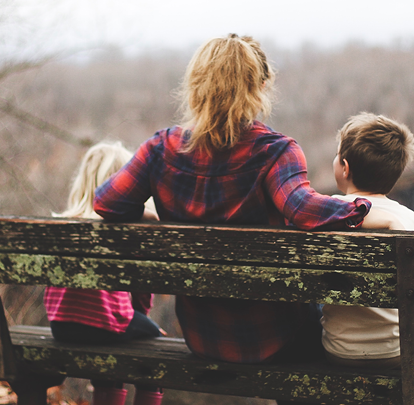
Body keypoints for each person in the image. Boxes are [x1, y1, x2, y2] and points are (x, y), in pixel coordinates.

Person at [92, 34, 381, 377]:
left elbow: (106, 202)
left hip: (202, 337)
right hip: (279, 340)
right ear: (259, 87)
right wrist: (364, 206)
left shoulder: (160, 149)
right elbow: (302, 209)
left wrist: (148, 214)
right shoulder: (275, 151)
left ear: (196, 86)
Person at [321, 112, 414, 369]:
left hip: (338, 349)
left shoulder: (325, 212)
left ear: (344, 167)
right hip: (399, 348)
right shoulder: (409, 219)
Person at [47, 141, 164, 405]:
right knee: (154, 344)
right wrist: (143, 321)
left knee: (114, 334)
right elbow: (141, 292)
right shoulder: (124, 230)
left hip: (60, 326)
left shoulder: (61, 226)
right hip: (105, 325)